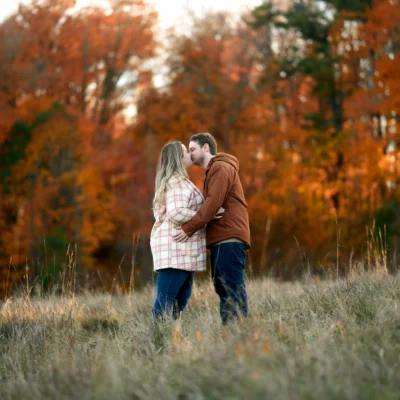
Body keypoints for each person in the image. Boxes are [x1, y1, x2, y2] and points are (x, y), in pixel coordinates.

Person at [173, 132, 251, 324]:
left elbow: (212, 204)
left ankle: (238, 334)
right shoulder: (214, 171)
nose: (190, 154)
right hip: (220, 239)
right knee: (223, 288)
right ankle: (230, 334)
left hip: (229, 238)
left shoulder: (221, 168)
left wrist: (187, 228)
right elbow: (211, 205)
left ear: (205, 147)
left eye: (193, 149)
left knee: (231, 287)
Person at [150, 141, 207, 320]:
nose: (189, 154)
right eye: (185, 152)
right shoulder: (177, 182)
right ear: (177, 158)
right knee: (166, 299)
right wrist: (205, 216)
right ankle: (155, 339)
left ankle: (170, 338)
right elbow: (176, 212)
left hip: (181, 251)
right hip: (176, 249)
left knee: (178, 301)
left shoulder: (179, 182)